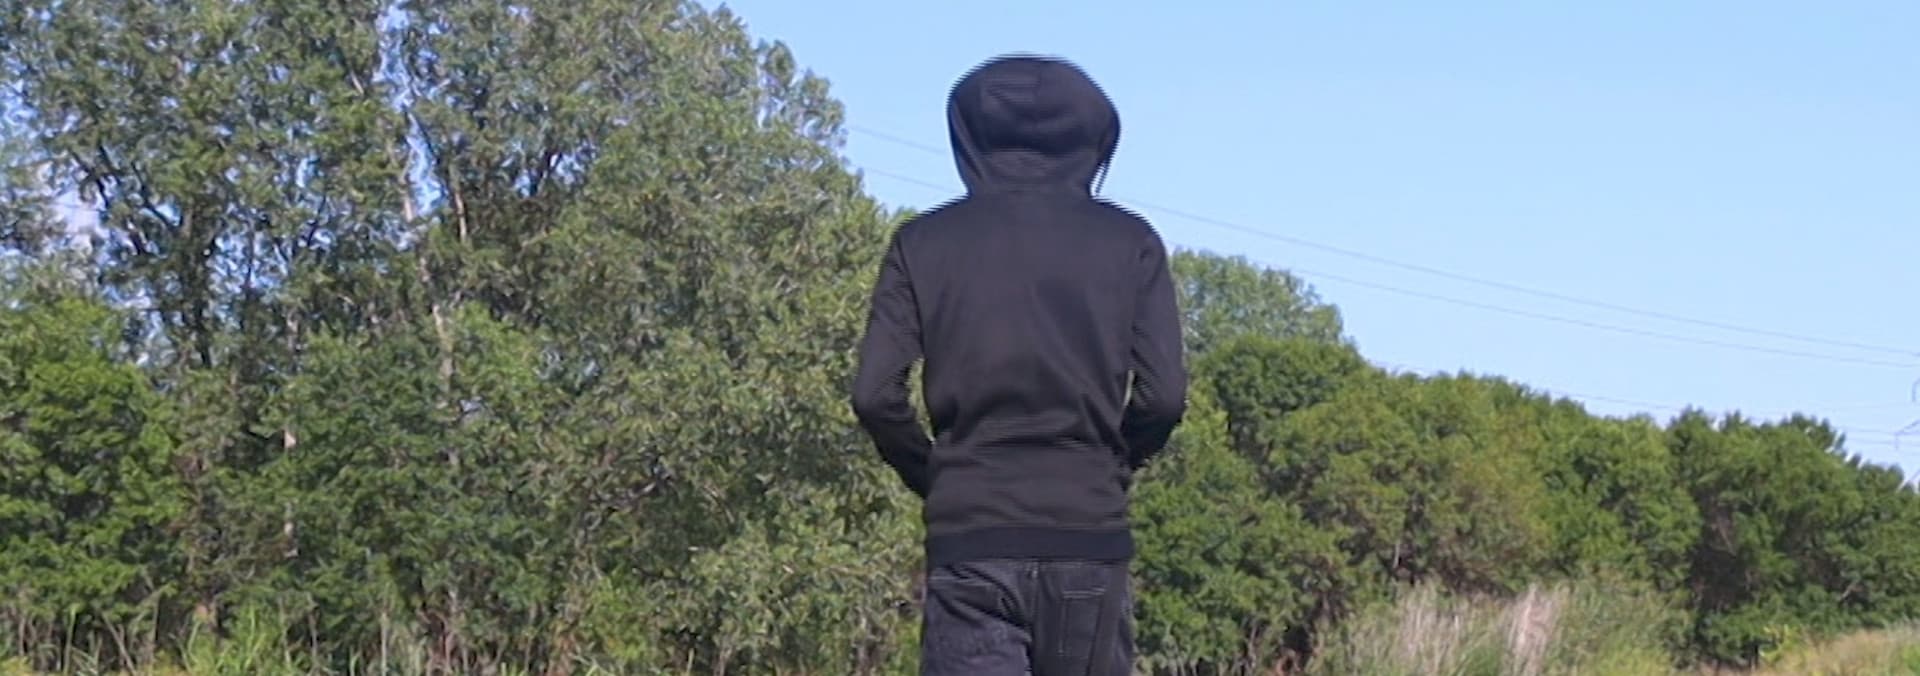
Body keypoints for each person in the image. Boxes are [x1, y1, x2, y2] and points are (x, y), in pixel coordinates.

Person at [851, 53, 1188, 676]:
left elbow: (875, 395)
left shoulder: (920, 243)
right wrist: (1111, 465)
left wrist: (937, 474)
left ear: (969, 137)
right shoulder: (1131, 242)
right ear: (1091, 138)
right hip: (1087, 533)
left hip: (971, 537)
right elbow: (1164, 396)